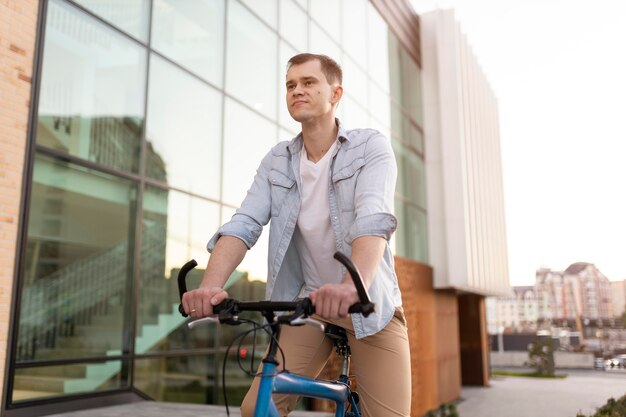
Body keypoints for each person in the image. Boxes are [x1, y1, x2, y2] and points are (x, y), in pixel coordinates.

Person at [181, 53, 411, 417]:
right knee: (255, 409)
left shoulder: (370, 148)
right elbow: (244, 224)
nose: (296, 91)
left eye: (308, 83)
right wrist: (210, 286)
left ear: (335, 94)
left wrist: (355, 288)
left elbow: (373, 220)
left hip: (371, 308)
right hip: (310, 306)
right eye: (290, 85)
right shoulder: (278, 160)